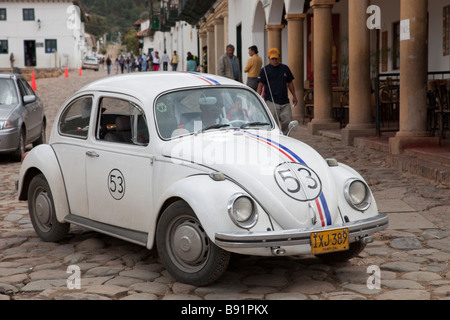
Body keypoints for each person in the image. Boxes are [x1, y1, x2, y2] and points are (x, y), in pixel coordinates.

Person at [257, 48, 298, 135]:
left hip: (284, 101)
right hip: (271, 100)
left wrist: (294, 96)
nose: (275, 61)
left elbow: (290, 83)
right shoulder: (264, 70)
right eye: (273, 59)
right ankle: (274, 138)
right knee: (273, 123)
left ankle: (286, 138)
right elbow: (260, 85)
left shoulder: (285, 68)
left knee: (288, 121)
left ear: (279, 58)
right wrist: (258, 98)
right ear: (269, 59)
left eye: (276, 58)